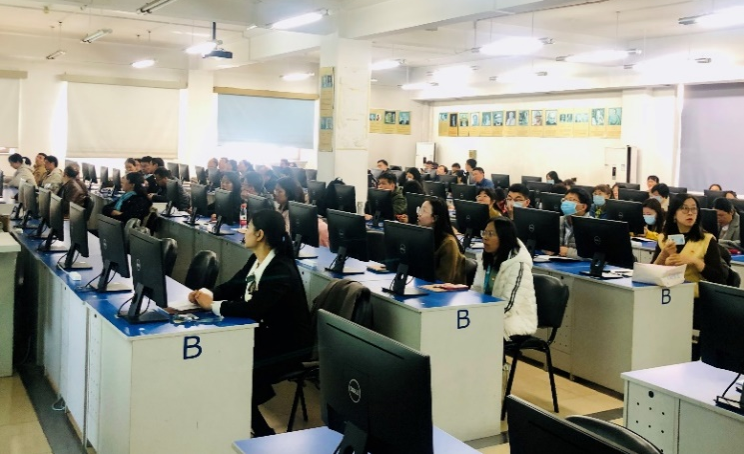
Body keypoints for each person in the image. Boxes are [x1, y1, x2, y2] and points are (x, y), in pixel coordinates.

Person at [190, 210, 312, 437]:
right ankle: (243, 421)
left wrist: (212, 306)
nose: (244, 232)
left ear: (260, 235)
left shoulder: (281, 269)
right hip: (266, 333)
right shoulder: (257, 260)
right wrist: (205, 294)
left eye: (248, 228)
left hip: (288, 345)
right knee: (223, 359)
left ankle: (263, 433)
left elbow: (254, 308)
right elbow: (233, 285)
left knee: (234, 372)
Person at [652, 194, 727, 336]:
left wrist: (696, 262)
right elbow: (651, 272)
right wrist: (663, 256)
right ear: (674, 214)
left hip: (695, 302)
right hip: (665, 297)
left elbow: (719, 279)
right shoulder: (663, 238)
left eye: (694, 209)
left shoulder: (706, 240)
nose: (690, 213)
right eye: (684, 209)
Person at [473, 217, 537, 340]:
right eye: (484, 233)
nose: (485, 237)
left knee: (474, 334)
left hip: (514, 320)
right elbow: (476, 290)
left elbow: (509, 306)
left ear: (504, 238)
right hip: (488, 314)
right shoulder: (486, 259)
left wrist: (481, 318)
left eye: (491, 234)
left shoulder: (518, 265)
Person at [416, 198, 468, 285]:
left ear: (434, 218)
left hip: (444, 290)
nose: (419, 214)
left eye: (424, 211)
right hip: (424, 284)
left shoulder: (448, 243)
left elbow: (444, 279)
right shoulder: (422, 237)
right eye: (420, 209)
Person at [559, 188, 592, 258]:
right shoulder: (559, 220)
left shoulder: (592, 225)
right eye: (565, 200)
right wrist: (549, 248)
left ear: (583, 207)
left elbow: (593, 255)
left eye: (571, 200)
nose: (566, 203)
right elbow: (545, 242)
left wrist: (568, 252)